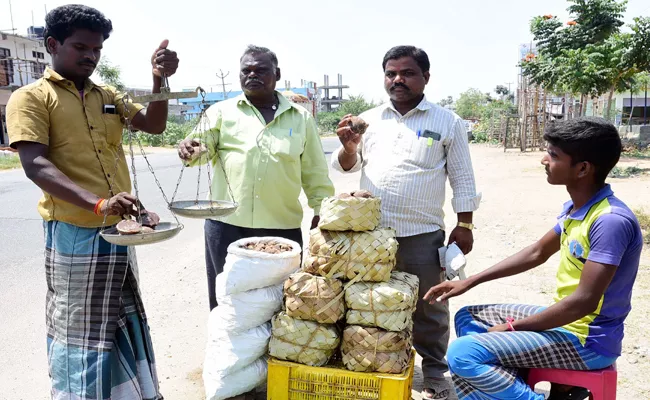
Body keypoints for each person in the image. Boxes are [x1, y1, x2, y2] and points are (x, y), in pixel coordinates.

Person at [6, 5, 180, 399]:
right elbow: (36, 165)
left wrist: (159, 78)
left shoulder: (108, 95)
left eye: (97, 49)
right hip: (75, 233)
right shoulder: (31, 97)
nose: (90, 56)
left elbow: (154, 125)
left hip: (119, 232)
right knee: (80, 332)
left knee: (121, 319)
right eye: (81, 46)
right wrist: (99, 204)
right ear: (52, 45)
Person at [424, 117, 643, 400]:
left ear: (583, 169)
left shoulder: (609, 220)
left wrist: (513, 327)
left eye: (553, 155)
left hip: (587, 340)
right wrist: (470, 282)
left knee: (463, 353)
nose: (543, 160)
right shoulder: (577, 209)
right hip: (570, 324)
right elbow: (538, 252)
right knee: (470, 317)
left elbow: (584, 301)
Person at [333, 45, 481, 400]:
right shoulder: (367, 119)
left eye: (407, 73)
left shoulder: (447, 121)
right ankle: (368, 364)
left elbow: (462, 177)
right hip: (370, 236)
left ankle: (434, 370)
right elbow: (346, 167)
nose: (398, 80)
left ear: (425, 77)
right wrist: (350, 147)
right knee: (366, 302)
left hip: (422, 234)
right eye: (391, 73)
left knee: (429, 306)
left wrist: (465, 224)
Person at [178, 45, 334, 310]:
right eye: (246, 70)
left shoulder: (300, 119)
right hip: (226, 224)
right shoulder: (220, 112)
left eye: (260, 70)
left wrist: (322, 213)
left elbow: (315, 172)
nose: (252, 75)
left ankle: (274, 352)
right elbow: (202, 148)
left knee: (280, 304)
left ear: (277, 74)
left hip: (280, 227)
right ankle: (228, 350)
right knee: (227, 301)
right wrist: (190, 149)